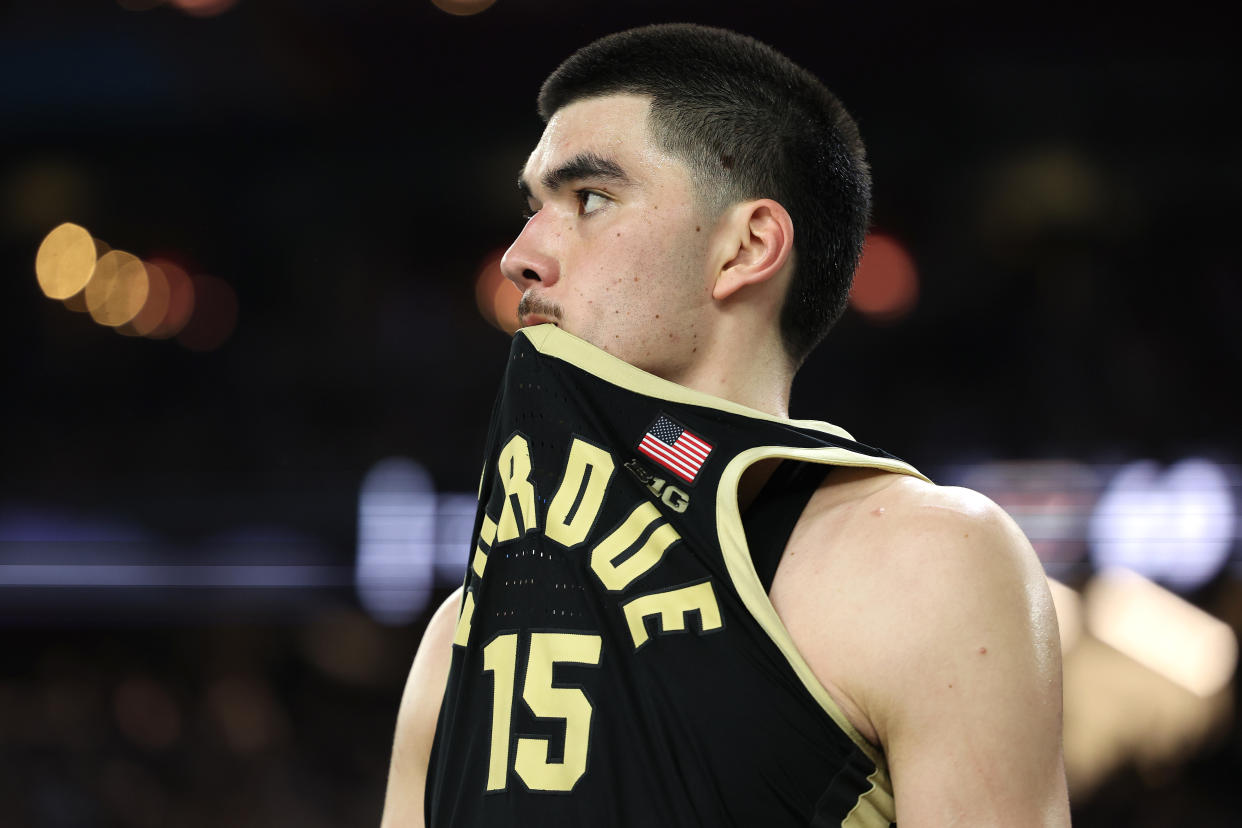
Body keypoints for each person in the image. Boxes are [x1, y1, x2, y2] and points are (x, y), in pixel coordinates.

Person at [382, 23, 1069, 827]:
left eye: (590, 200)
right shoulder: (457, 635)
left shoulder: (926, 563)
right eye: (533, 208)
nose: (519, 255)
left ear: (745, 248)